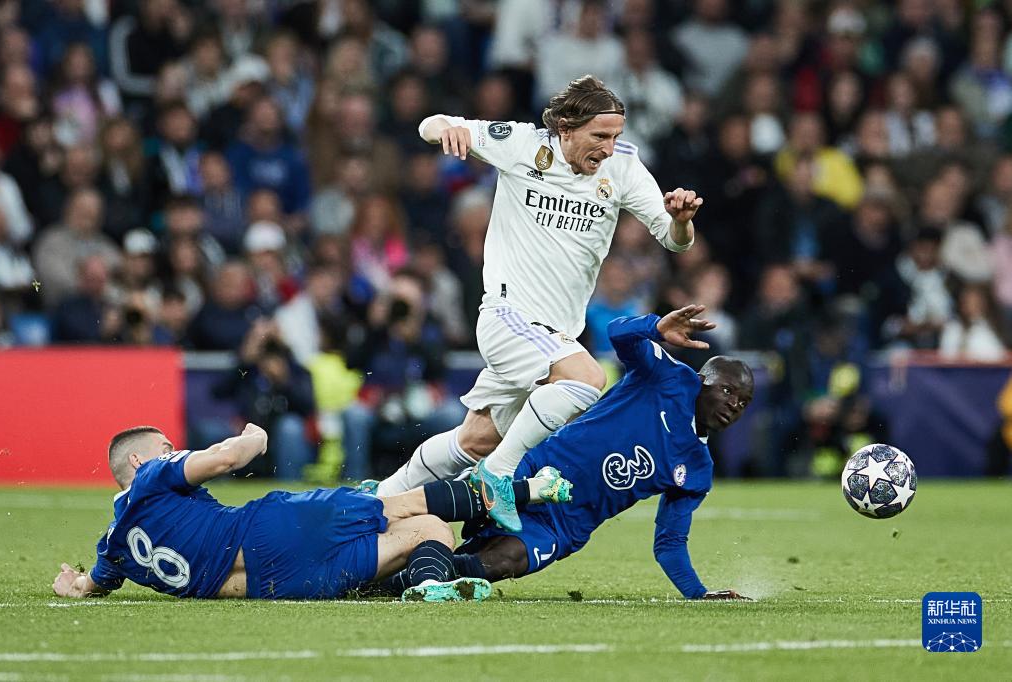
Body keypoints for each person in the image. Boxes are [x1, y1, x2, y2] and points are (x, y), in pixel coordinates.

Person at [375, 75, 705, 536]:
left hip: (554, 334)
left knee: (474, 439)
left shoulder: (624, 167)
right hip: (508, 316)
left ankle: (378, 499)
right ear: (566, 128)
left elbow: (674, 241)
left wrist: (681, 220)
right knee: (587, 379)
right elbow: (431, 124)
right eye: (600, 136)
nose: (609, 148)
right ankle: (497, 475)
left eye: (615, 136)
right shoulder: (523, 145)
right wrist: (446, 129)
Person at [383, 310, 754, 600]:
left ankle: (391, 582)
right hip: (533, 471)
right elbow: (619, 332)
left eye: (743, 402)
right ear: (702, 380)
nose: (734, 405)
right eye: (728, 391)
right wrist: (655, 327)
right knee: (439, 507)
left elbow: (669, 543)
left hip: (563, 526)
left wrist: (698, 593)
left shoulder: (698, 469)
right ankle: (372, 513)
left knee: (501, 561)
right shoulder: (668, 376)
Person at [51, 424, 573, 603]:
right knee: (401, 503)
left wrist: (71, 585)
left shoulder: (113, 547)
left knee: (428, 530)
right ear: (138, 462)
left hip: (273, 586)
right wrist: (253, 436)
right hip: (268, 530)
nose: (173, 450)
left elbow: (89, 586)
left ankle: (430, 587)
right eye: (165, 446)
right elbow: (227, 458)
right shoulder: (151, 474)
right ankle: (527, 490)